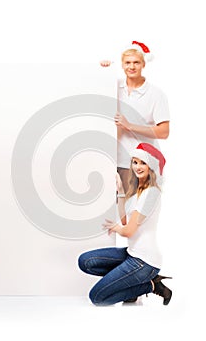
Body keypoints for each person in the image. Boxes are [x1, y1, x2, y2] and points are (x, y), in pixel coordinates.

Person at [78, 143, 172, 306]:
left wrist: (116, 228)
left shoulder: (152, 193)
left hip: (144, 261)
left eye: (143, 163)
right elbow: (124, 221)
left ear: (152, 167)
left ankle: (150, 285)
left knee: (97, 297)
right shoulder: (139, 192)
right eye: (135, 162)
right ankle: (130, 284)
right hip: (131, 253)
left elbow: (128, 230)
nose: (137, 167)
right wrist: (121, 190)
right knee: (86, 261)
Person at [101, 41, 170, 196]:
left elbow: (164, 132)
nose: (131, 67)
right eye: (127, 63)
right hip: (113, 161)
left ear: (143, 64)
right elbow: (91, 87)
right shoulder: (113, 86)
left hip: (140, 165)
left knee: (136, 214)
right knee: (114, 214)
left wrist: (130, 125)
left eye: (136, 62)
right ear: (122, 65)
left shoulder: (155, 94)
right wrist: (102, 71)